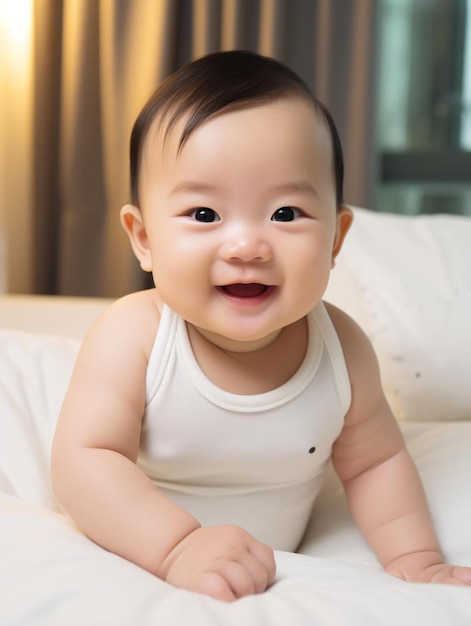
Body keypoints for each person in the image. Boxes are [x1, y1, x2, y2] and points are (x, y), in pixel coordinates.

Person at [51, 50, 471, 602]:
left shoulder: (342, 348)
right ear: (144, 238)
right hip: (140, 554)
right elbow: (85, 461)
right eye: (204, 215)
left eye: (286, 214)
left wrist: (415, 557)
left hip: (273, 565)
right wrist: (179, 547)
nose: (247, 245)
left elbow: (376, 464)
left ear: (336, 239)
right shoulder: (134, 335)